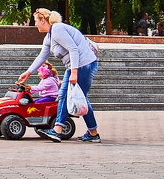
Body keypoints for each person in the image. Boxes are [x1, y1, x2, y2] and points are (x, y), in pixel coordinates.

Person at [17, 8, 102, 143]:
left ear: (43, 20)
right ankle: (92, 133)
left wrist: (74, 72)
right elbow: (42, 56)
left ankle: (58, 130)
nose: (35, 25)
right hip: (74, 66)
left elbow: (73, 49)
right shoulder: (49, 36)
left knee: (74, 97)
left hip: (84, 65)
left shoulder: (57, 29)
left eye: (36, 21)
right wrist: (28, 72)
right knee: (74, 97)